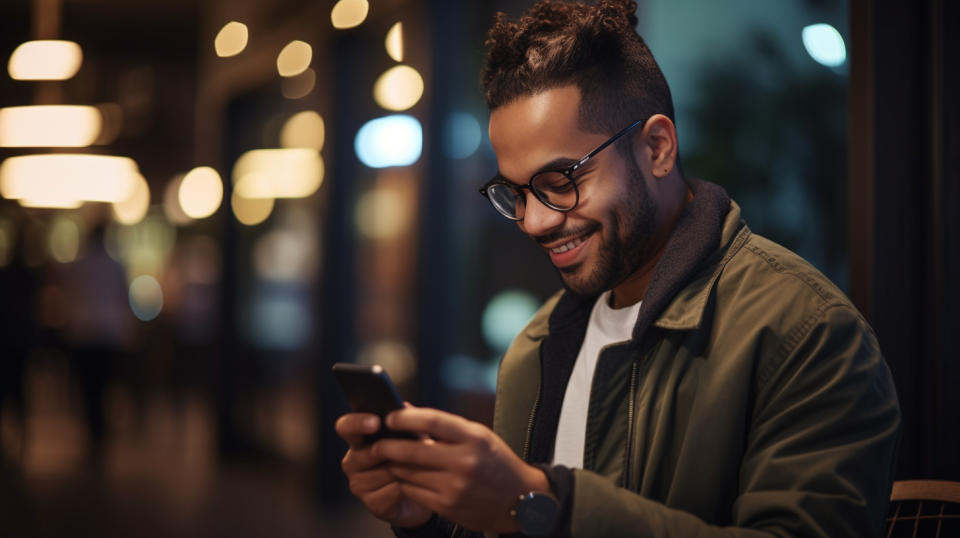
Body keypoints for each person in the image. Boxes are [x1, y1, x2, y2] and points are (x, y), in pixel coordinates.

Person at [336, 1, 901, 536]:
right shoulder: (536, 348)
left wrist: (549, 504)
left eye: (560, 183)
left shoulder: (807, 332)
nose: (533, 221)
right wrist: (429, 518)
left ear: (656, 148)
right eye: (515, 194)